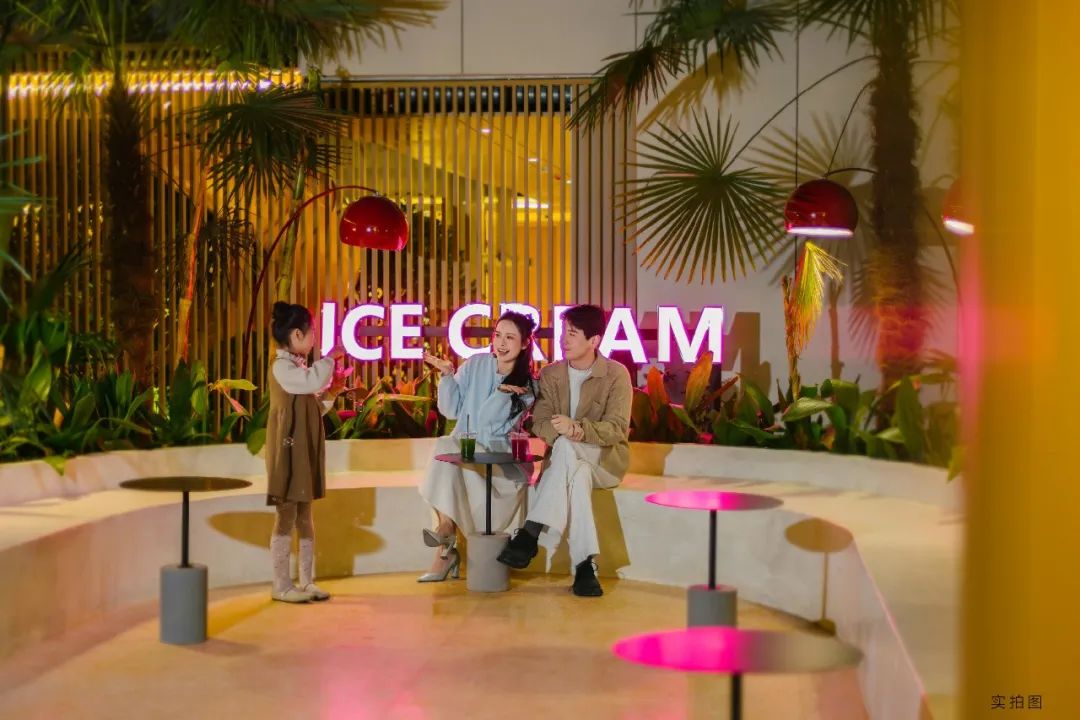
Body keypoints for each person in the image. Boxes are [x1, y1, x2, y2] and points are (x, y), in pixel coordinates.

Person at [497, 304, 632, 597]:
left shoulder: (615, 374)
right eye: (563, 332)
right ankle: (585, 567)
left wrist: (578, 430)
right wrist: (564, 433)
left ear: (594, 340)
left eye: (572, 333)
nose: (563, 339)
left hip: (605, 463)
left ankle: (531, 531)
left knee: (570, 447)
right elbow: (540, 422)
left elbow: (617, 428)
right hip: (567, 463)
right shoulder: (551, 374)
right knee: (577, 474)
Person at [416, 311, 538, 582]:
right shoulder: (475, 364)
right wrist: (448, 376)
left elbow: (486, 424)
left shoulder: (527, 386)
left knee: (449, 452)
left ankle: (445, 551)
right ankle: (446, 529)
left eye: (510, 337)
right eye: (497, 335)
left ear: (524, 343)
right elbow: (450, 411)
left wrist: (502, 394)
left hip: (500, 462)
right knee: (447, 451)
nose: (501, 343)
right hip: (466, 453)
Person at [265, 302, 348, 603]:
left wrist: (333, 392)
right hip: (288, 452)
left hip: (302, 450)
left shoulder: (297, 368)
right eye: (312, 332)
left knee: (305, 515)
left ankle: (307, 581)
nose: (314, 338)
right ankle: (281, 584)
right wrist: (330, 359)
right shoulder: (281, 367)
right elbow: (311, 381)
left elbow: (312, 406)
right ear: (297, 334)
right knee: (286, 514)